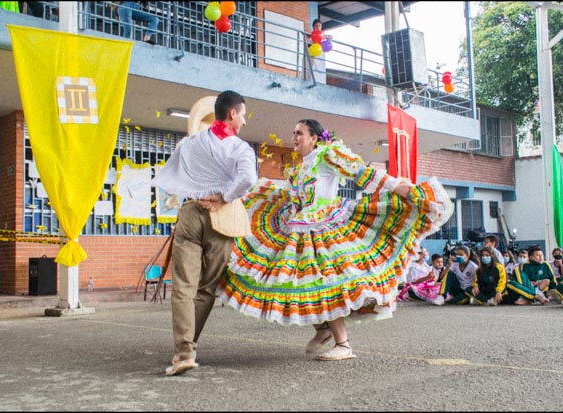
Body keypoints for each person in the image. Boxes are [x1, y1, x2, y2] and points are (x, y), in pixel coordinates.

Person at [216, 119, 452, 361]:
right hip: (297, 229)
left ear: (314, 138)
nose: (294, 137)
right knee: (301, 283)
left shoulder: (327, 156)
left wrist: (399, 188)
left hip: (324, 228)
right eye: (293, 132)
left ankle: (343, 345)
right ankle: (323, 328)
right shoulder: (299, 169)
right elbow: (287, 194)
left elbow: (362, 173)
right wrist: (250, 193)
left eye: (299, 133)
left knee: (328, 281)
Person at [151, 91, 258, 376]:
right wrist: (224, 197)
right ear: (232, 113)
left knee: (183, 286)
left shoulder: (189, 143)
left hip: (190, 212)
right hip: (222, 217)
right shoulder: (240, 148)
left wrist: (196, 190)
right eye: (243, 115)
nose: (244, 121)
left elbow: (168, 179)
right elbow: (248, 179)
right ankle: (188, 346)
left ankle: (184, 351)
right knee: (206, 288)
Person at [307, 19, 332, 84]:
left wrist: (323, 36)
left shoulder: (323, 35)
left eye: (319, 25)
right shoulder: (311, 34)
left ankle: (321, 82)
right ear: (313, 27)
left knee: (320, 70)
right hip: (312, 55)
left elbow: (331, 37)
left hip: (320, 56)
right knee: (312, 69)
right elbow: (306, 34)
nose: (318, 27)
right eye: (316, 26)